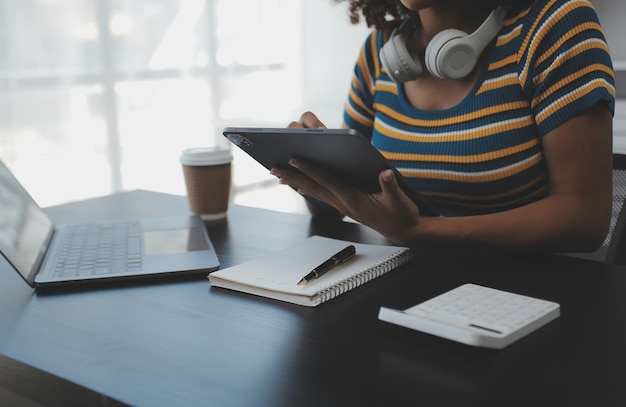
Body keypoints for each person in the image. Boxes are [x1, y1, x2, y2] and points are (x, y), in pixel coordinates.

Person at [270, 0, 615, 254]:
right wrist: (312, 172)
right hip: (408, 289)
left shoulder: (555, 28)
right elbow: (346, 205)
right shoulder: (380, 52)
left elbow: (585, 217)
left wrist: (423, 232)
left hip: (527, 297)